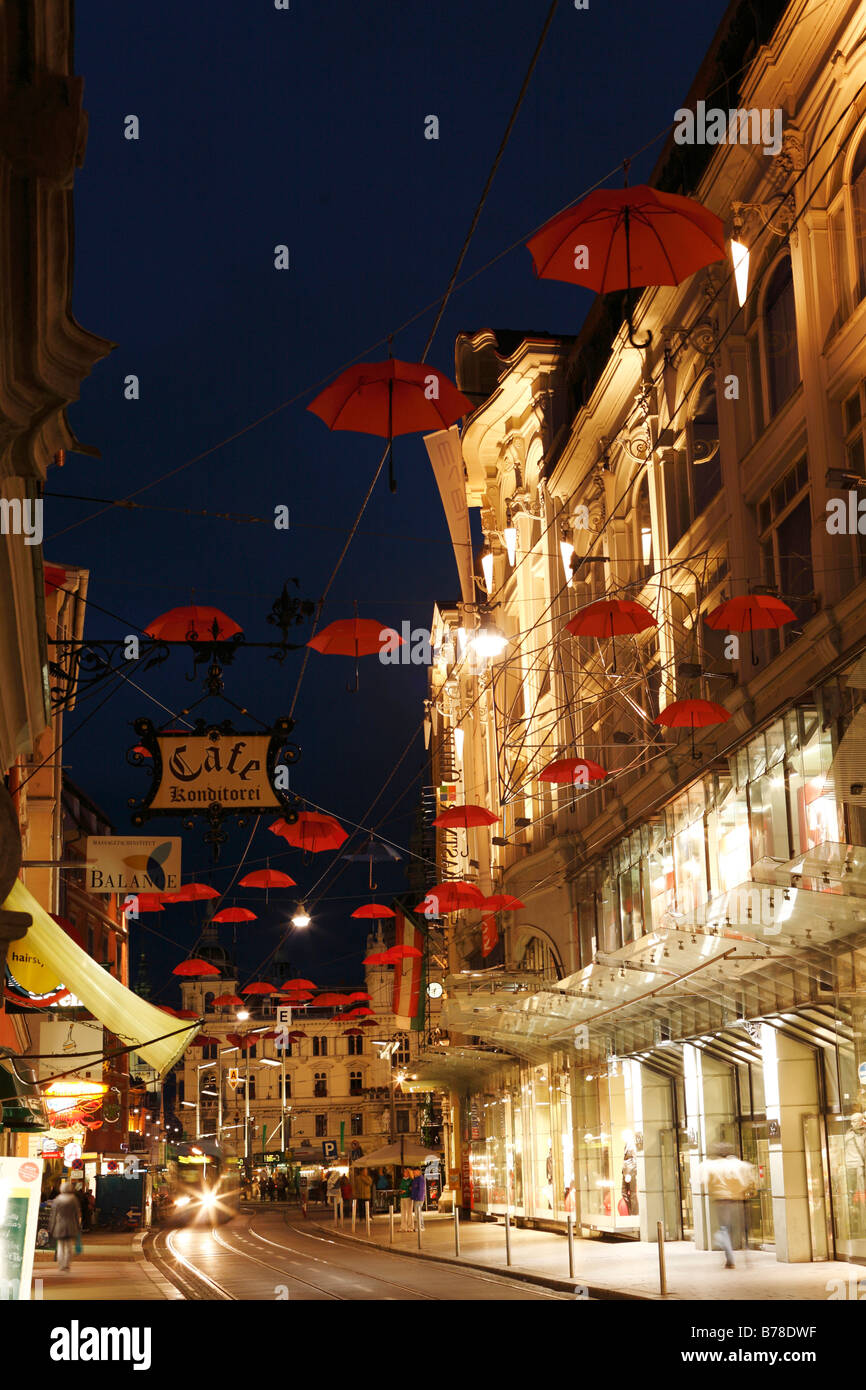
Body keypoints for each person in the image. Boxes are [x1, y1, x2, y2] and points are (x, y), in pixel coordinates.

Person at [697, 1141, 756, 1269]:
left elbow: (703, 1181)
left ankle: (730, 1259)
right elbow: (749, 1179)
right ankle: (747, 1256)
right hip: (738, 1199)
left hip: (721, 1201)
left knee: (724, 1229)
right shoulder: (739, 1165)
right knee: (741, 1229)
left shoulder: (712, 1166)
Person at [49, 1181, 81, 1273]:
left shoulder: (57, 1200)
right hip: (71, 1225)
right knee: (68, 1247)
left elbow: (53, 1215)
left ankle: (61, 1265)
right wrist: (78, 1226)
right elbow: (76, 1215)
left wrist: (51, 1227)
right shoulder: (74, 1199)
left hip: (59, 1226)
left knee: (60, 1246)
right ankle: (66, 1265)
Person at [410, 1168, 427, 1232]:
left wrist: (419, 1197)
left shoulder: (421, 1179)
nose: (414, 1173)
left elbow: (421, 1189)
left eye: (415, 1172)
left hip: (419, 1198)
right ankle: (420, 1226)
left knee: (418, 1213)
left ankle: (421, 1226)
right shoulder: (416, 1178)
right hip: (416, 1198)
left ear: (418, 1171)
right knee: (417, 1213)